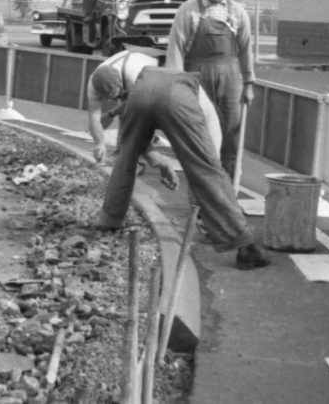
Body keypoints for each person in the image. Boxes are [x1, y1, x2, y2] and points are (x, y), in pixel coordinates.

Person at [89, 66, 270, 270]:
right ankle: (244, 246)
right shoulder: (191, 97)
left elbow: (138, 130)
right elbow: (208, 164)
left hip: (145, 97)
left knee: (124, 160)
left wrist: (158, 161)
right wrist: (182, 170)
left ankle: (109, 219)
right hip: (178, 99)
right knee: (208, 172)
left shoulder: (133, 85)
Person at [165, 0, 255, 179]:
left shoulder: (238, 12)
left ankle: (229, 189)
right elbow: (176, 48)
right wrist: (176, 85)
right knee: (199, 131)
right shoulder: (188, 10)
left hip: (231, 78)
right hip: (198, 76)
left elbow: (245, 49)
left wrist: (249, 83)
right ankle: (201, 191)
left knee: (232, 132)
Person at [87, 50, 180, 190]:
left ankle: (138, 160)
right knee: (129, 126)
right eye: (103, 96)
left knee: (135, 128)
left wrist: (111, 114)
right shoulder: (93, 84)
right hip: (131, 81)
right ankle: (127, 158)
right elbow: (94, 116)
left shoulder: (135, 76)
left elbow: (131, 105)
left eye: (110, 96)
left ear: (119, 86)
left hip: (158, 78)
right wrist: (99, 143)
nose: (106, 100)